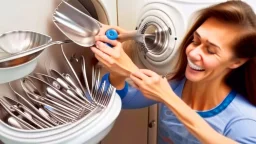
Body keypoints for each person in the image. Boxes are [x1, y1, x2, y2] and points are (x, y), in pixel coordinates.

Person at [91, 1, 256, 144]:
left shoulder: (245, 122)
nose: (192, 53)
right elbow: (117, 100)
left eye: (210, 50)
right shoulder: (179, 84)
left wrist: (166, 97)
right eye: (195, 40)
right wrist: (118, 72)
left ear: (237, 62)